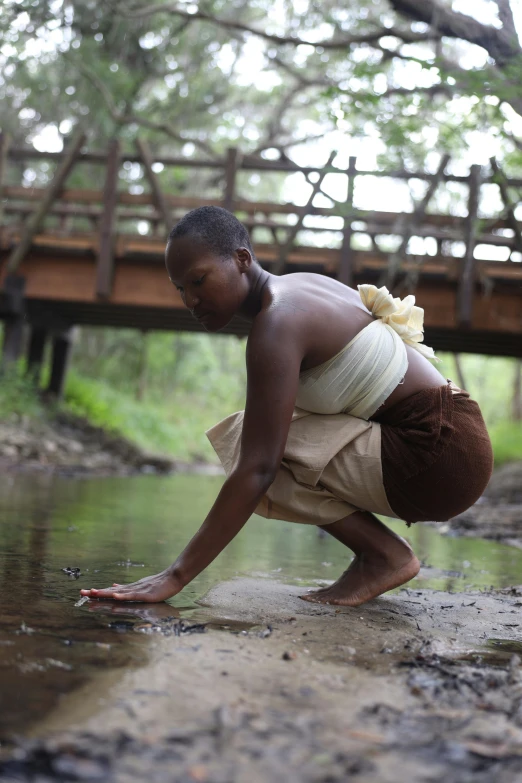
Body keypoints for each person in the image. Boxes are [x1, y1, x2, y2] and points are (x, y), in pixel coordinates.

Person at [80, 206, 493, 607]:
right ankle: (381, 554)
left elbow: (259, 468)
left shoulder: (277, 323)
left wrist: (174, 577)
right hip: (455, 444)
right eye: (180, 289)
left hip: (439, 455)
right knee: (259, 434)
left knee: (251, 445)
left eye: (199, 280)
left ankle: (382, 556)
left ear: (242, 259)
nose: (190, 299)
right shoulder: (298, 288)